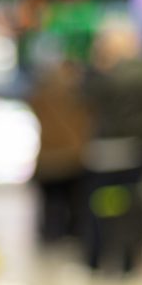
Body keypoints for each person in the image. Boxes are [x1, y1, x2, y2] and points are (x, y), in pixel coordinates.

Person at [82, 18, 142, 274]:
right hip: (138, 153)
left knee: (102, 206)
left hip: (106, 153)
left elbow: (87, 108)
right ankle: (129, 260)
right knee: (132, 207)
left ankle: (97, 258)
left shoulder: (104, 77)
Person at [29, 59, 90, 242]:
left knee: (51, 204)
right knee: (70, 203)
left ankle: (51, 235)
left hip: (49, 158)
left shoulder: (41, 95)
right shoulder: (77, 96)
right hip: (70, 158)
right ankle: (67, 235)